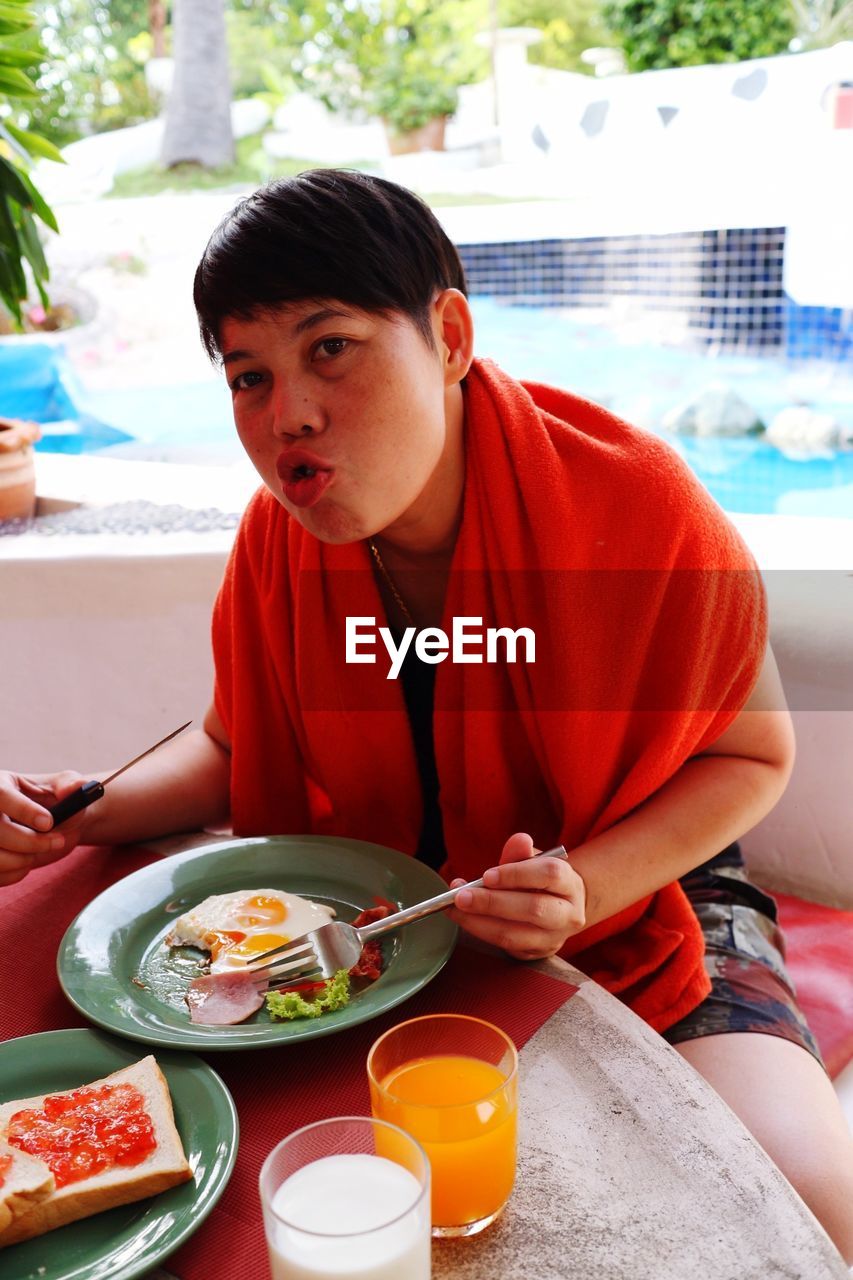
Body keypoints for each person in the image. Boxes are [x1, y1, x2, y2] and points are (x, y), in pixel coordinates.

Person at [1, 170, 851, 1258]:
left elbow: (750, 753)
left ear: (448, 333)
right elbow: (229, 742)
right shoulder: (280, 539)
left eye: (331, 348)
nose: (287, 414)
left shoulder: (632, 504)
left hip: (653, 883)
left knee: (806, 1205)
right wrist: (75, 810)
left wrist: (587, 882)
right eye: (248, 375)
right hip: (398, 912)